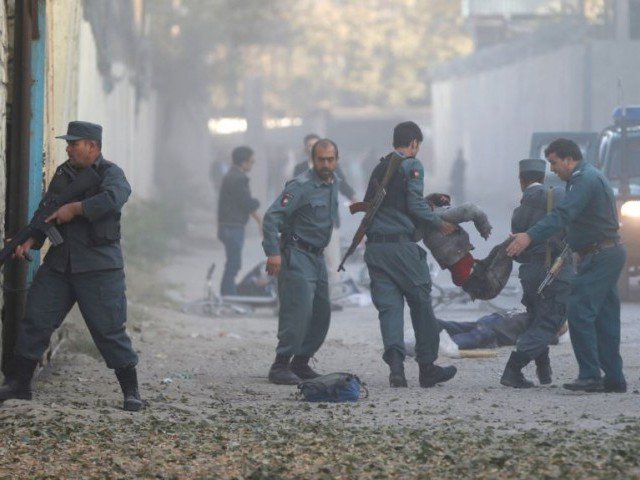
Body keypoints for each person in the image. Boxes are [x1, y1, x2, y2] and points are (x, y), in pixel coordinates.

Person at [0, 121, 143, 411]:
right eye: (68, 143)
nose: (68, 148)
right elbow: (47, 213)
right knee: (36, 321)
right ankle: (20, 384)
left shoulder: (111, 174)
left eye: (74, 143)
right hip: (60, 265)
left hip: (99, 267)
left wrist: (76, 209)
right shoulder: (64, 174)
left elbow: (115, 198)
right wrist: (31, 241)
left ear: (92, 146)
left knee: (109, 330)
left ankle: (131, 391)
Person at [507, 139, 627, 393]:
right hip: (605, 253)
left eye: (554, 162)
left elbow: (563, 215)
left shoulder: (584, 180)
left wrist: (529, 236)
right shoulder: (586, 178)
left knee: (578, 310)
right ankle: (614, 378)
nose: (553, 169)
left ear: (568, 159)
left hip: (600, 255)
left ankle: (590, 375)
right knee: (605, 318)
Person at [363, 121, 457, 388]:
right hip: (401, 249)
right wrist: (441, 223)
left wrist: (428, 200)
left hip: (376, 249)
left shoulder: (381, 166)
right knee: (421, 304)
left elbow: (390, 204)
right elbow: (414, 205)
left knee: (390, 308)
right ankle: (427, 368)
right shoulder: (412, 165)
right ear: (414, 143)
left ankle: (396, 369)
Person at [263, 139, 340, 385]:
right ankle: (280, 365)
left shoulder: (333, 184)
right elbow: (271, 218)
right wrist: (273, 253)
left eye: (330, 159)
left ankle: (301, 363)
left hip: (317, 257)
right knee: (298, 311)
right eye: (321, 159)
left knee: (321, 313)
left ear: (336, 160)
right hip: (296, 255)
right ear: (313, 160)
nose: (326, 164)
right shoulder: (301, 186)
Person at [500, 158, 572, 388]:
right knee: (549, 323)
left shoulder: (519, 211)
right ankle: (513, 369)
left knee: (537, 320)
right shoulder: (559, 197)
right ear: (543, 178)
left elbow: (516, 251)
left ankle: (544, 371)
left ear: (522, 181)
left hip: (529, 273)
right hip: (554, 272)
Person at [293, 134, 358, 300]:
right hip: (307, 223)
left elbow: (343, 184)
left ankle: (333, 297)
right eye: (309, 145)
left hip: (329, 222)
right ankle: (310, 297)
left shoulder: (332, 164)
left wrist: (354, 199)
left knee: (332, 261)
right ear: (305, 148)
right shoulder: (300, 168)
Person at [421, 193, 513, 301]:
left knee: (500, 249)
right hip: (485, 283)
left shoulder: (422, 226)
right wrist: (484, 227)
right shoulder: (440, 215)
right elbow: (471, 210)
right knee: (511, 246)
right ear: (433, 206)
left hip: (477, 278)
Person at [217, 146, 261, 296]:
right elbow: (247, 203)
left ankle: (228, 293)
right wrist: (260, 220)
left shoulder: (230, 175)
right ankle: (229, 296)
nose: (252, 165)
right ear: (243, 162)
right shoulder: (239, 178)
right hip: (233, 227)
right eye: (251, 162)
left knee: (232, 263)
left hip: (226, 226)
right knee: (234, 265)